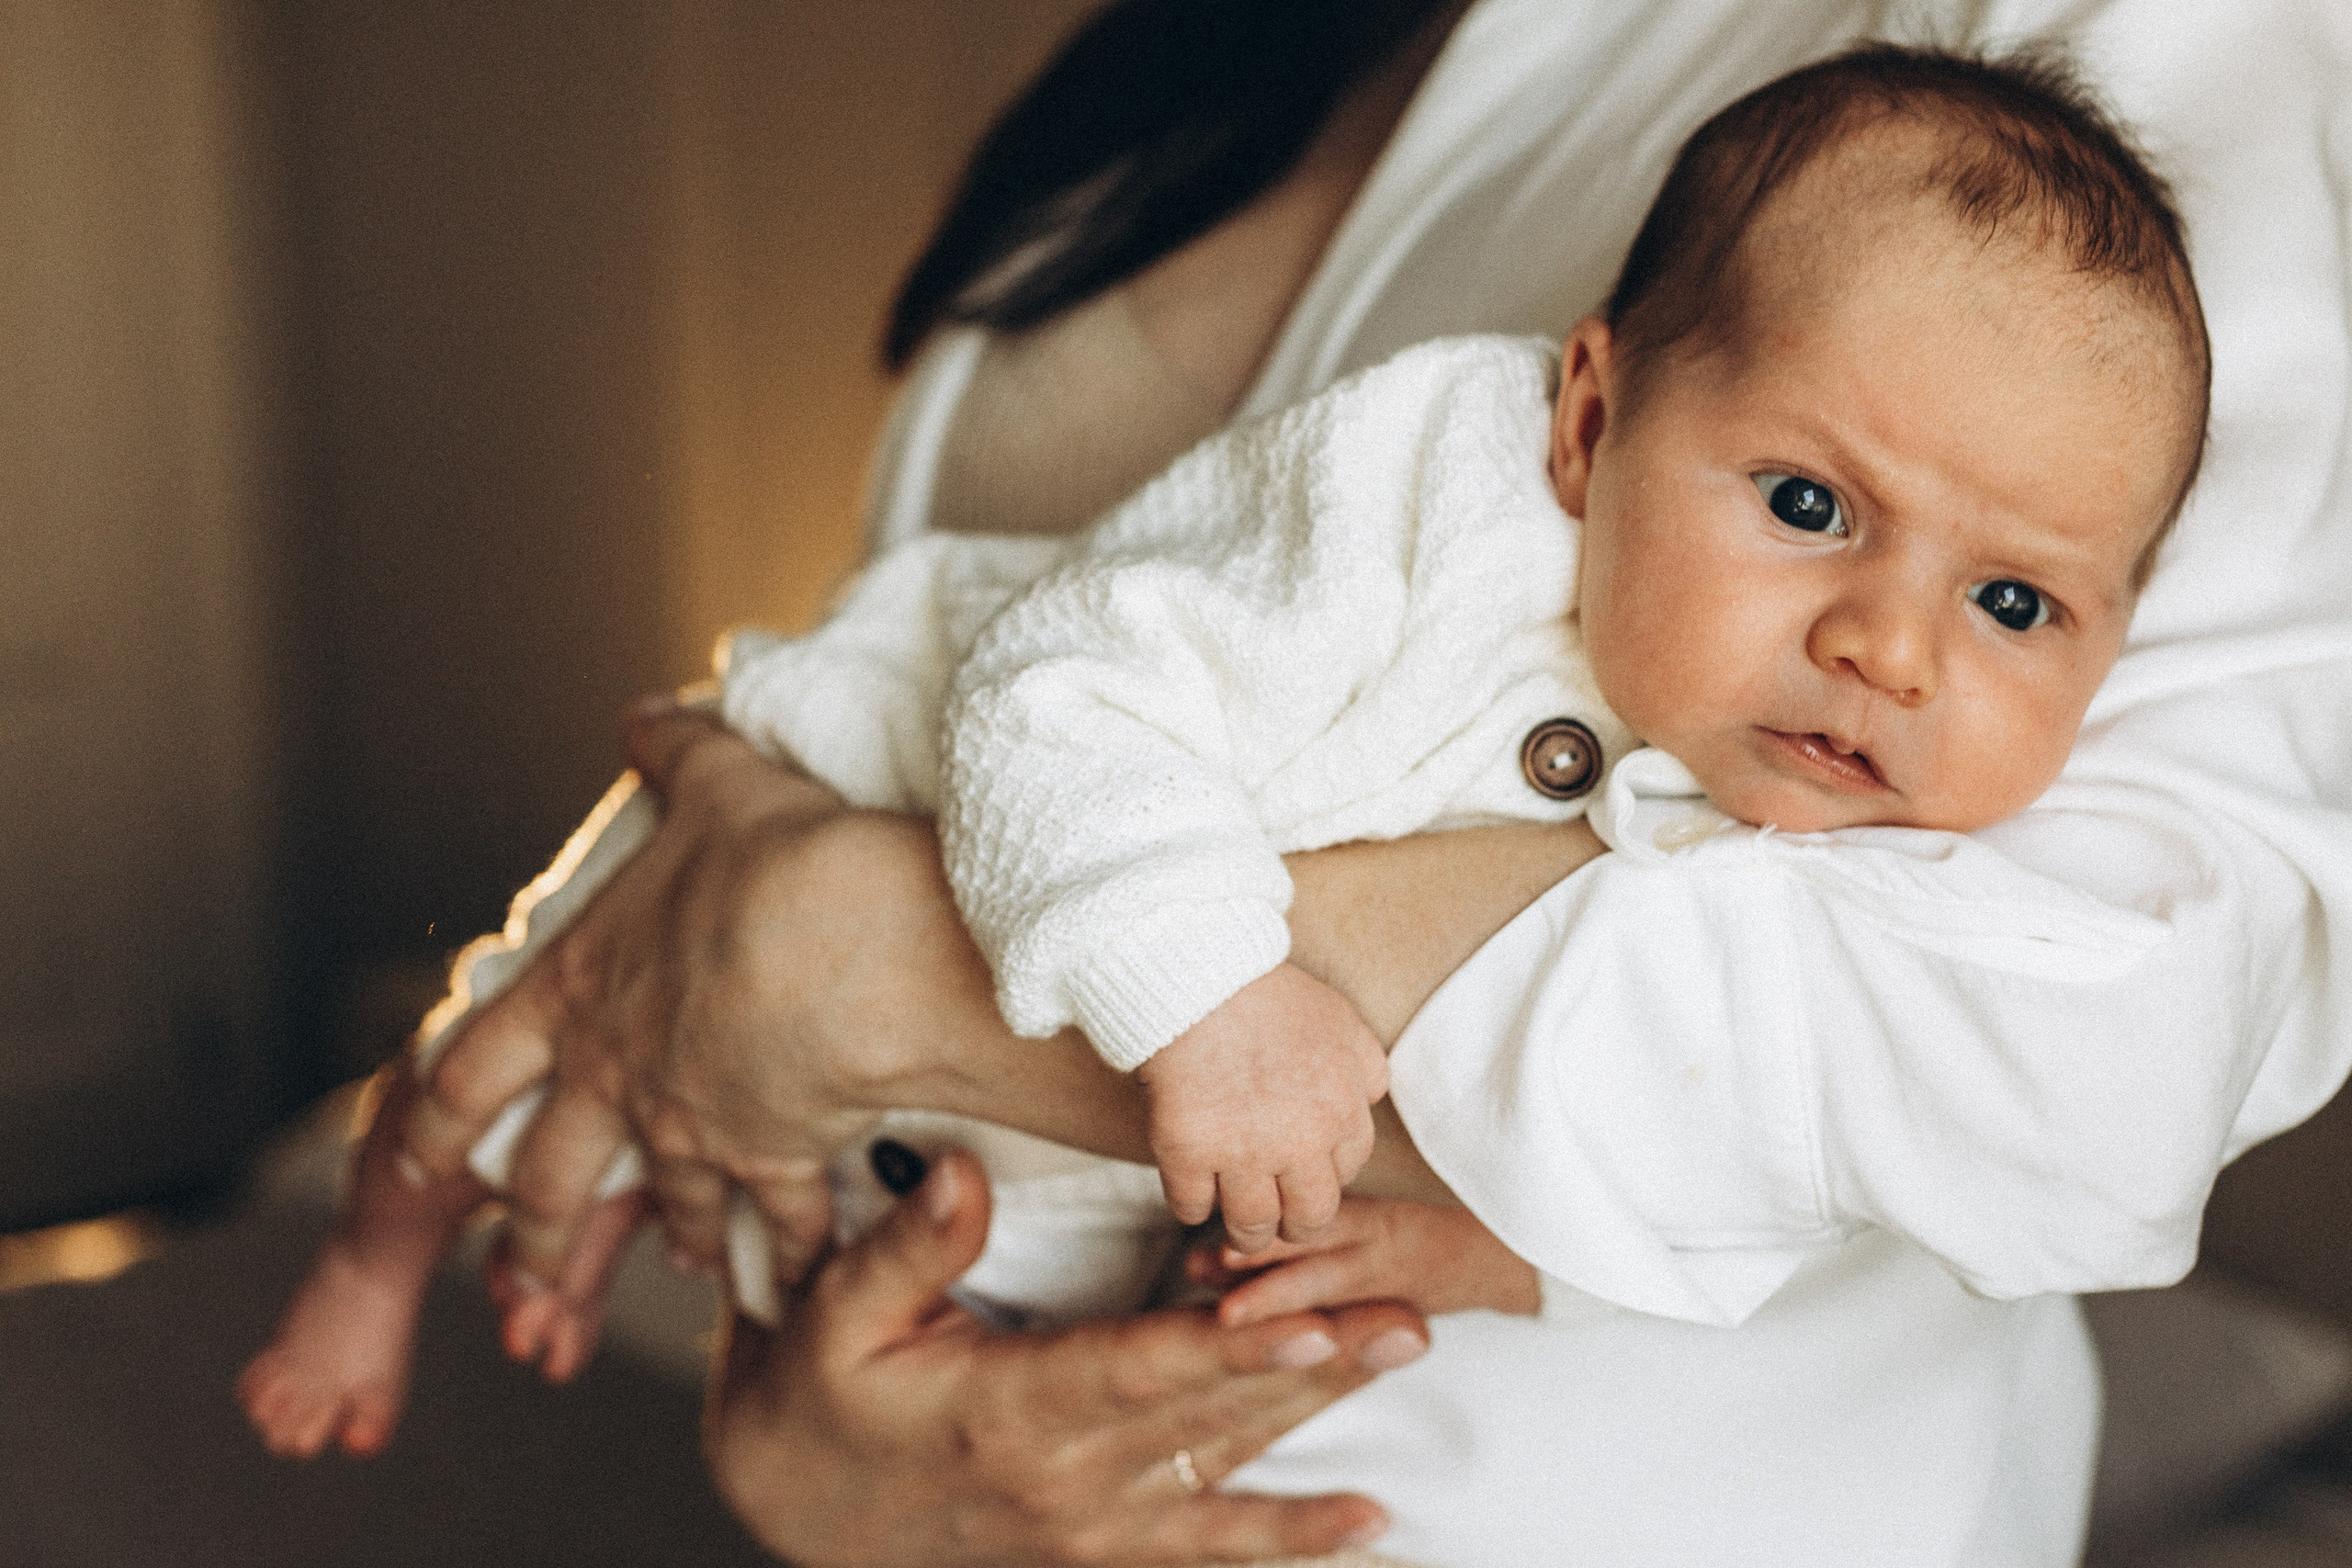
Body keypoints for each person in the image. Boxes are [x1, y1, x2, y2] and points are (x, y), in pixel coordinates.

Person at [394, 0, 2352, 1562]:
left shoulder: (2139, 68)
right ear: (1585, 412)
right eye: (1807, 500)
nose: (1892, 633)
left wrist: (841, 955)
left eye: (1996, 593)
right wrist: (826, 1453)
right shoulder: (1259, 43)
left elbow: (2093, 1042)